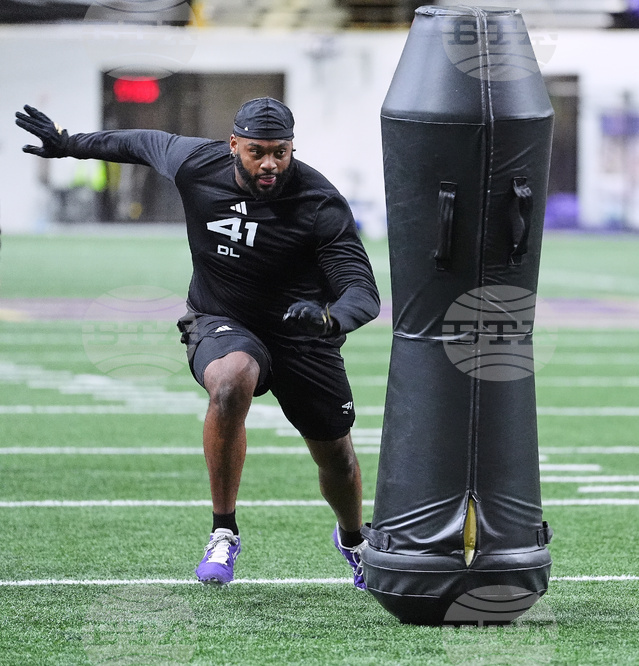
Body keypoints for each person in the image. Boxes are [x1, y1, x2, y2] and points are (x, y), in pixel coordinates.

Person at [15, 98, 381, 586]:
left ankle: (353, 539)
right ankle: (223, 531)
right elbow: (141, 143)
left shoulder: (319, 202)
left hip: (302, 334)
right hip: (221, 318)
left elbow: (362, 289)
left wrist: (331, 319)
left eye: (280, 152)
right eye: (256, 152)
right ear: (233, 145)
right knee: (231, 379)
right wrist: (70, 145)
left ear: (292, 148)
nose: (269, 163)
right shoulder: (197, 163)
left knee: (336, 456)